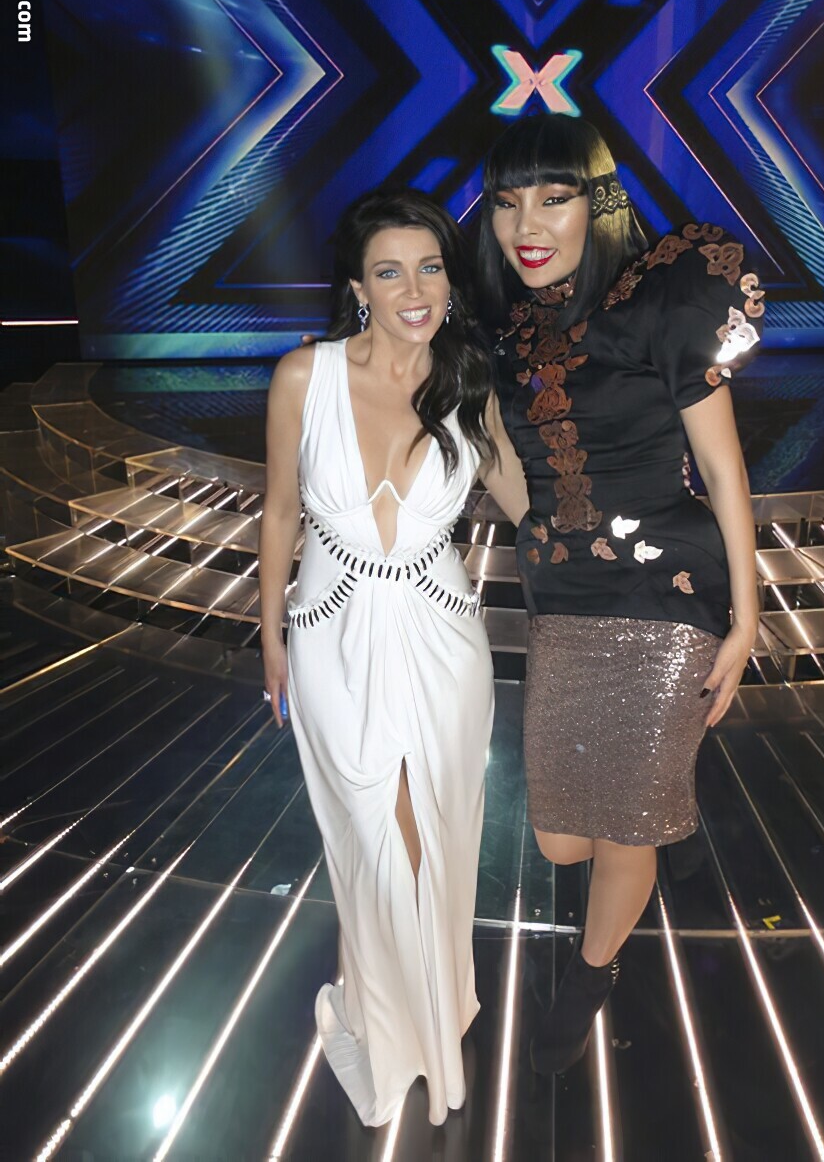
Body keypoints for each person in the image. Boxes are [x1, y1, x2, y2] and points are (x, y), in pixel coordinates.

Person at [479, 115, 764, 1074]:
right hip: (563, 594)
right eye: (507, 201)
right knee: (561, 839)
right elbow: (517, 480)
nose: (527, 224)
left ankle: (593, 973)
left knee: (621, 831)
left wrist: (746, 619)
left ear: (597, 203)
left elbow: (724, 472)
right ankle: (663, 809)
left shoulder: (659, 301)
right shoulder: (507, 332)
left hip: (665, 595)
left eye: (553, 198)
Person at [259, 188, 528, 1127]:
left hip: (443, 639)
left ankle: (425, 1022)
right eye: (390, 271)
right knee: (374, 835)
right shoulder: (305, 375)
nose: (414, 290)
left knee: (434, 834)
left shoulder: (470, 382)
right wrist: (269, 634)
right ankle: (396, 1018)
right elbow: (281, 514)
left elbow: (530, 506)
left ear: (450, 281)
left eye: (431, 268)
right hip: (328, 636)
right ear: (358, 288)